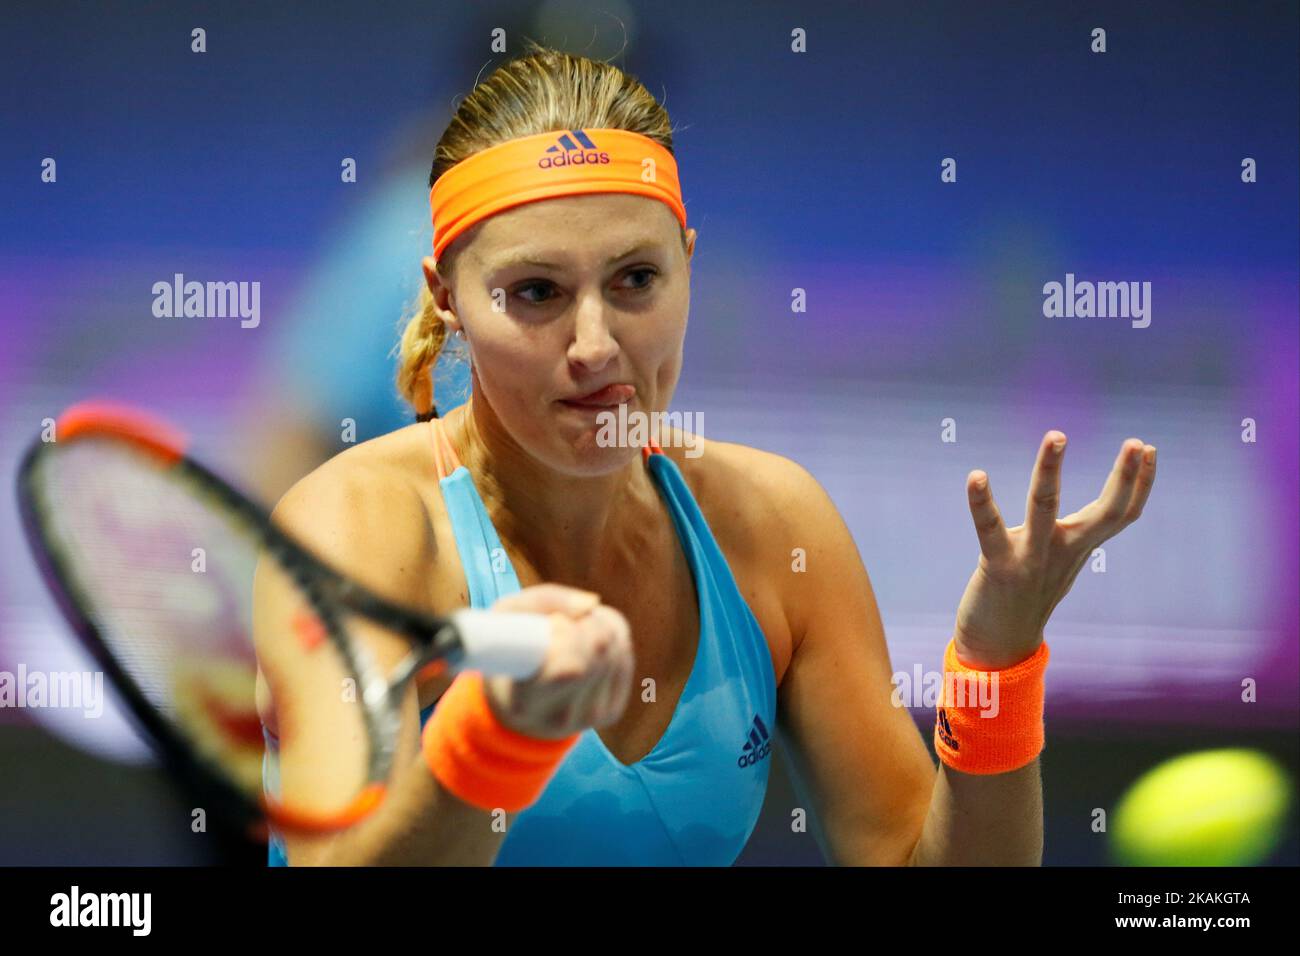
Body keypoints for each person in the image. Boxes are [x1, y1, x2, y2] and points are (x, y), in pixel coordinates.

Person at [259, 42, 1158, 866]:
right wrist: (492, 738)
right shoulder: (355, 532)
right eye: (536, 292)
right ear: (446, 299)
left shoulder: (774, 523)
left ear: (688, 265)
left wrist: (997, 661)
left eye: (636, 280)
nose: (596, 345)